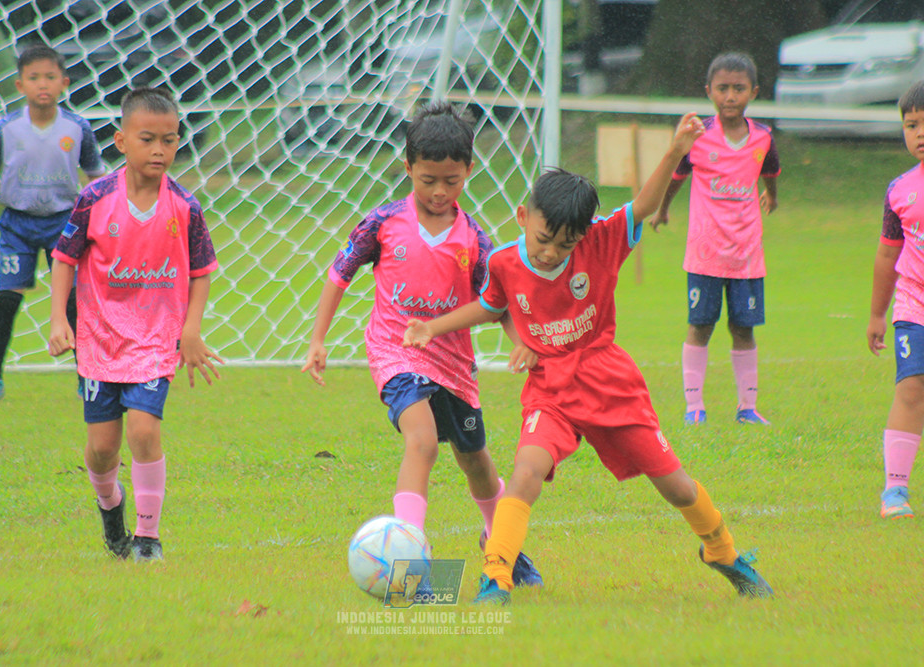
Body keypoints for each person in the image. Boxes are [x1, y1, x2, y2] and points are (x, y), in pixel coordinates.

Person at [404, 113, 774, 604]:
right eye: (544, 239)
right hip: (549, 389)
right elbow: (491, 307)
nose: (554, 252)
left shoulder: (600, 241)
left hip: (607, 380)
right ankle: (497, 575)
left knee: (678, 488)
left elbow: (642, 206)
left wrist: (677, 149)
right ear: (522, 218)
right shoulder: (504, 263)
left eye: (566, 243)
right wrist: (433, 326)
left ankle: (723, 551)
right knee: (525, 472)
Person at [302, 101, 542, 588]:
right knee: (423, 440)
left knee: (476, 461)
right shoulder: (384, 222)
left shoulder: (475, 237)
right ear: (408, 167)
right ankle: (408, 558)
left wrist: (519, 342)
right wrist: (318, 339)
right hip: (396, 353)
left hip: (454, 365)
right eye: (427, 179)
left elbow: (495, 303)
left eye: (450, 181)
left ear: (468, 172)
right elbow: (339, 274)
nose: (438, 191)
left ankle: (501, 545)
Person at [47, 87, 222, 562]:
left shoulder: (185, 207)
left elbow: (201, 272)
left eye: (170, 140)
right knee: (102, 450)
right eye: (148, 139)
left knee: (144, 432)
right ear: (122, 141)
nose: (160, 150)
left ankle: (148, 537)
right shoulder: (94, 198)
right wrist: (59, 320)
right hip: (99, 342)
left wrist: (190, 330)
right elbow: (64, 259)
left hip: (155, 340)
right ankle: (111, 509)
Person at [0, 42, 107, 402]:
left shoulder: (77, 128)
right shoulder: (7, 128)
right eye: (33, 78)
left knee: (76, 300)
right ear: (20, 85)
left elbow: (96, 178)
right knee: (7, 298)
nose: (42, 84)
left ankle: (86, 376)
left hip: (65, 222)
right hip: (17, 224)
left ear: (64, 82)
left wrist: (105, 214)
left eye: (50, 77)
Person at [650, 52, 780, 426]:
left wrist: (772, 195)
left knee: (743, 327)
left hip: (746, 255)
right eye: (722, 88)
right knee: (701, 325)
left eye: (738, 88)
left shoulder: (763, 138)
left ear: (753, 92)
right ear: (709, 91)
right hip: (705, 255)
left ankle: (747, 408)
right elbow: (677, 175)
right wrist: (663, 209)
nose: (730, 96)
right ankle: (695, 408)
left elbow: (770, 170)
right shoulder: (698, 138)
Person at [868, 79, 924, 519]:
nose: (919, 133)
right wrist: (876, 314)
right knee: (910, 389)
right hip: (914, 304)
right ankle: (895, 492)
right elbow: (888, 254)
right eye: (911, 125)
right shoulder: (899, 190)